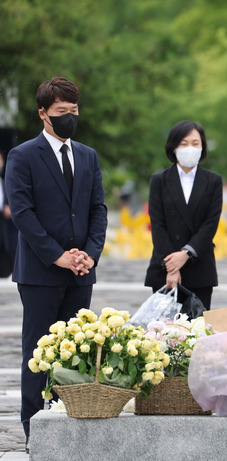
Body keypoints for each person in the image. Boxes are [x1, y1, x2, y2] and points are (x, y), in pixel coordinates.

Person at [5, 77, 107, 448]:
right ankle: (36, 432)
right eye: (62, 112)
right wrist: (58, 255)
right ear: (43, 113)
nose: (69, 118)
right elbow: (23, 213)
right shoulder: (23, 155)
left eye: (74, 112)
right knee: (40, 352)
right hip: (40, 273)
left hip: (81, 272)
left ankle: (70, 429)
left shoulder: (88, 155)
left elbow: (98, 209)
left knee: (77, 354)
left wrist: (89, 255)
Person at [144, 121, 223, 309]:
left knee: (198, 333)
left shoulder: (213, 181)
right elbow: (158, 224)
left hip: (200, 267)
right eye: (184, 143)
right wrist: (171, 266)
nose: (190, 148)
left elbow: (210, 224)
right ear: (173, 147)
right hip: (164, 268)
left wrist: (186, 253)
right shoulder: (159, 180)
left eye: (195, 143)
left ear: (203, 147)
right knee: (163, 333)